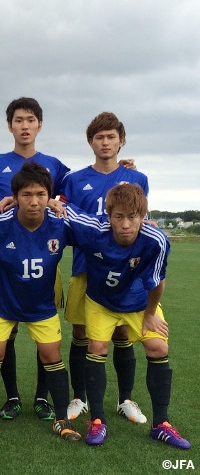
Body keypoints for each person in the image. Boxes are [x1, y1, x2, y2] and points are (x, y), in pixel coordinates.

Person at [63, 184, 190, 449]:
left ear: (143, 216)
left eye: (132, 216)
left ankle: (161, 425)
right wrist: (53, 203)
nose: (125, 224)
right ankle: (98, 420)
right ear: (108, 216)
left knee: (158, 347)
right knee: (96, 346)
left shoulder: (156, 240)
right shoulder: (93, 230)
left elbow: (158, 281)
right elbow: (67, 210)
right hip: (101, 301)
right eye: (118, 216)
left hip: (138, 302)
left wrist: (151, 314)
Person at [0, 97, 69, 421]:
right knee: (6, 332)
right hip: (6, 257)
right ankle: (12, 395)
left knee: (45, 334)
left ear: (39, 125)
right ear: (10, 125)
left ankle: (42, 398)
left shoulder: (53, 164)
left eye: (30, 120)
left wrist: (58, 204)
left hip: (43, 257)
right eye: (18, 120)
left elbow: (72, 196)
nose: (24, 126)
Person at [0, 162, 81, 442]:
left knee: (52, 357)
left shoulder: (62, 224)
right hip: (2, 304)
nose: (34, 201)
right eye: (26, 194)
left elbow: (99, 226)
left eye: (41, 194)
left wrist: (143, 222)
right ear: (15, 197)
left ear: (50, 196)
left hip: (41, 306)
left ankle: (61, 419)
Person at [59, 112, 149, 423]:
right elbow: (60, 212)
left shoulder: (137, 179)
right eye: (100, 137)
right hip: (86, 268)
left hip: (126, 271)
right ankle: (78, 397)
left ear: (122, 141)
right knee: (81, 333)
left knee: (122, 332)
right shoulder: (74, 180)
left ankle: (125, 399)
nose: (106, 142)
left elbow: (139, 223)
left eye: (111, 137)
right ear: (90, 142)